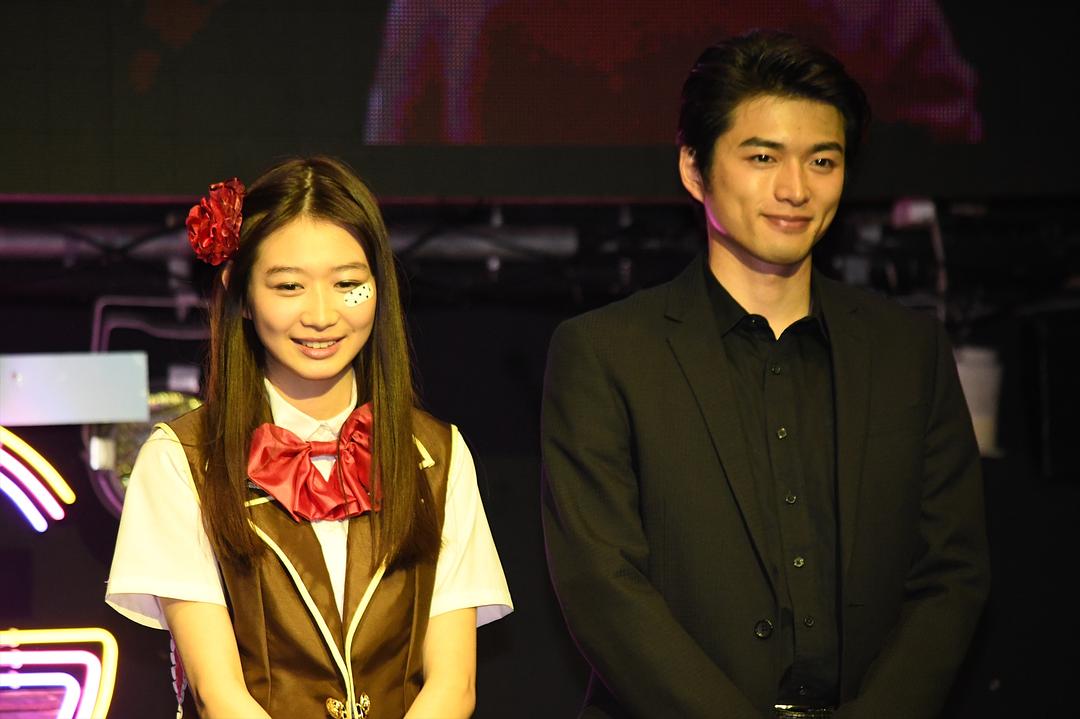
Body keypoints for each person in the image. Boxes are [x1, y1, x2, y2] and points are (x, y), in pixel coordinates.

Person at [540, 31, 988, 719]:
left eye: (823, 160)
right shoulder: (606, 353)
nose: (795, 189)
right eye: (762, 157)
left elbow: (951, 574)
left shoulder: (910, 351)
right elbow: (604, 588)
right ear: (694, 168)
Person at [106, 156, 512, 718]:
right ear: (241, 294)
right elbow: (217, 692)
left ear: (379, 287)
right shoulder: (183, 461)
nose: (321, 315)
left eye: (348, 284)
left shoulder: (436, 455)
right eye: (289, 286)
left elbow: (453, 685)